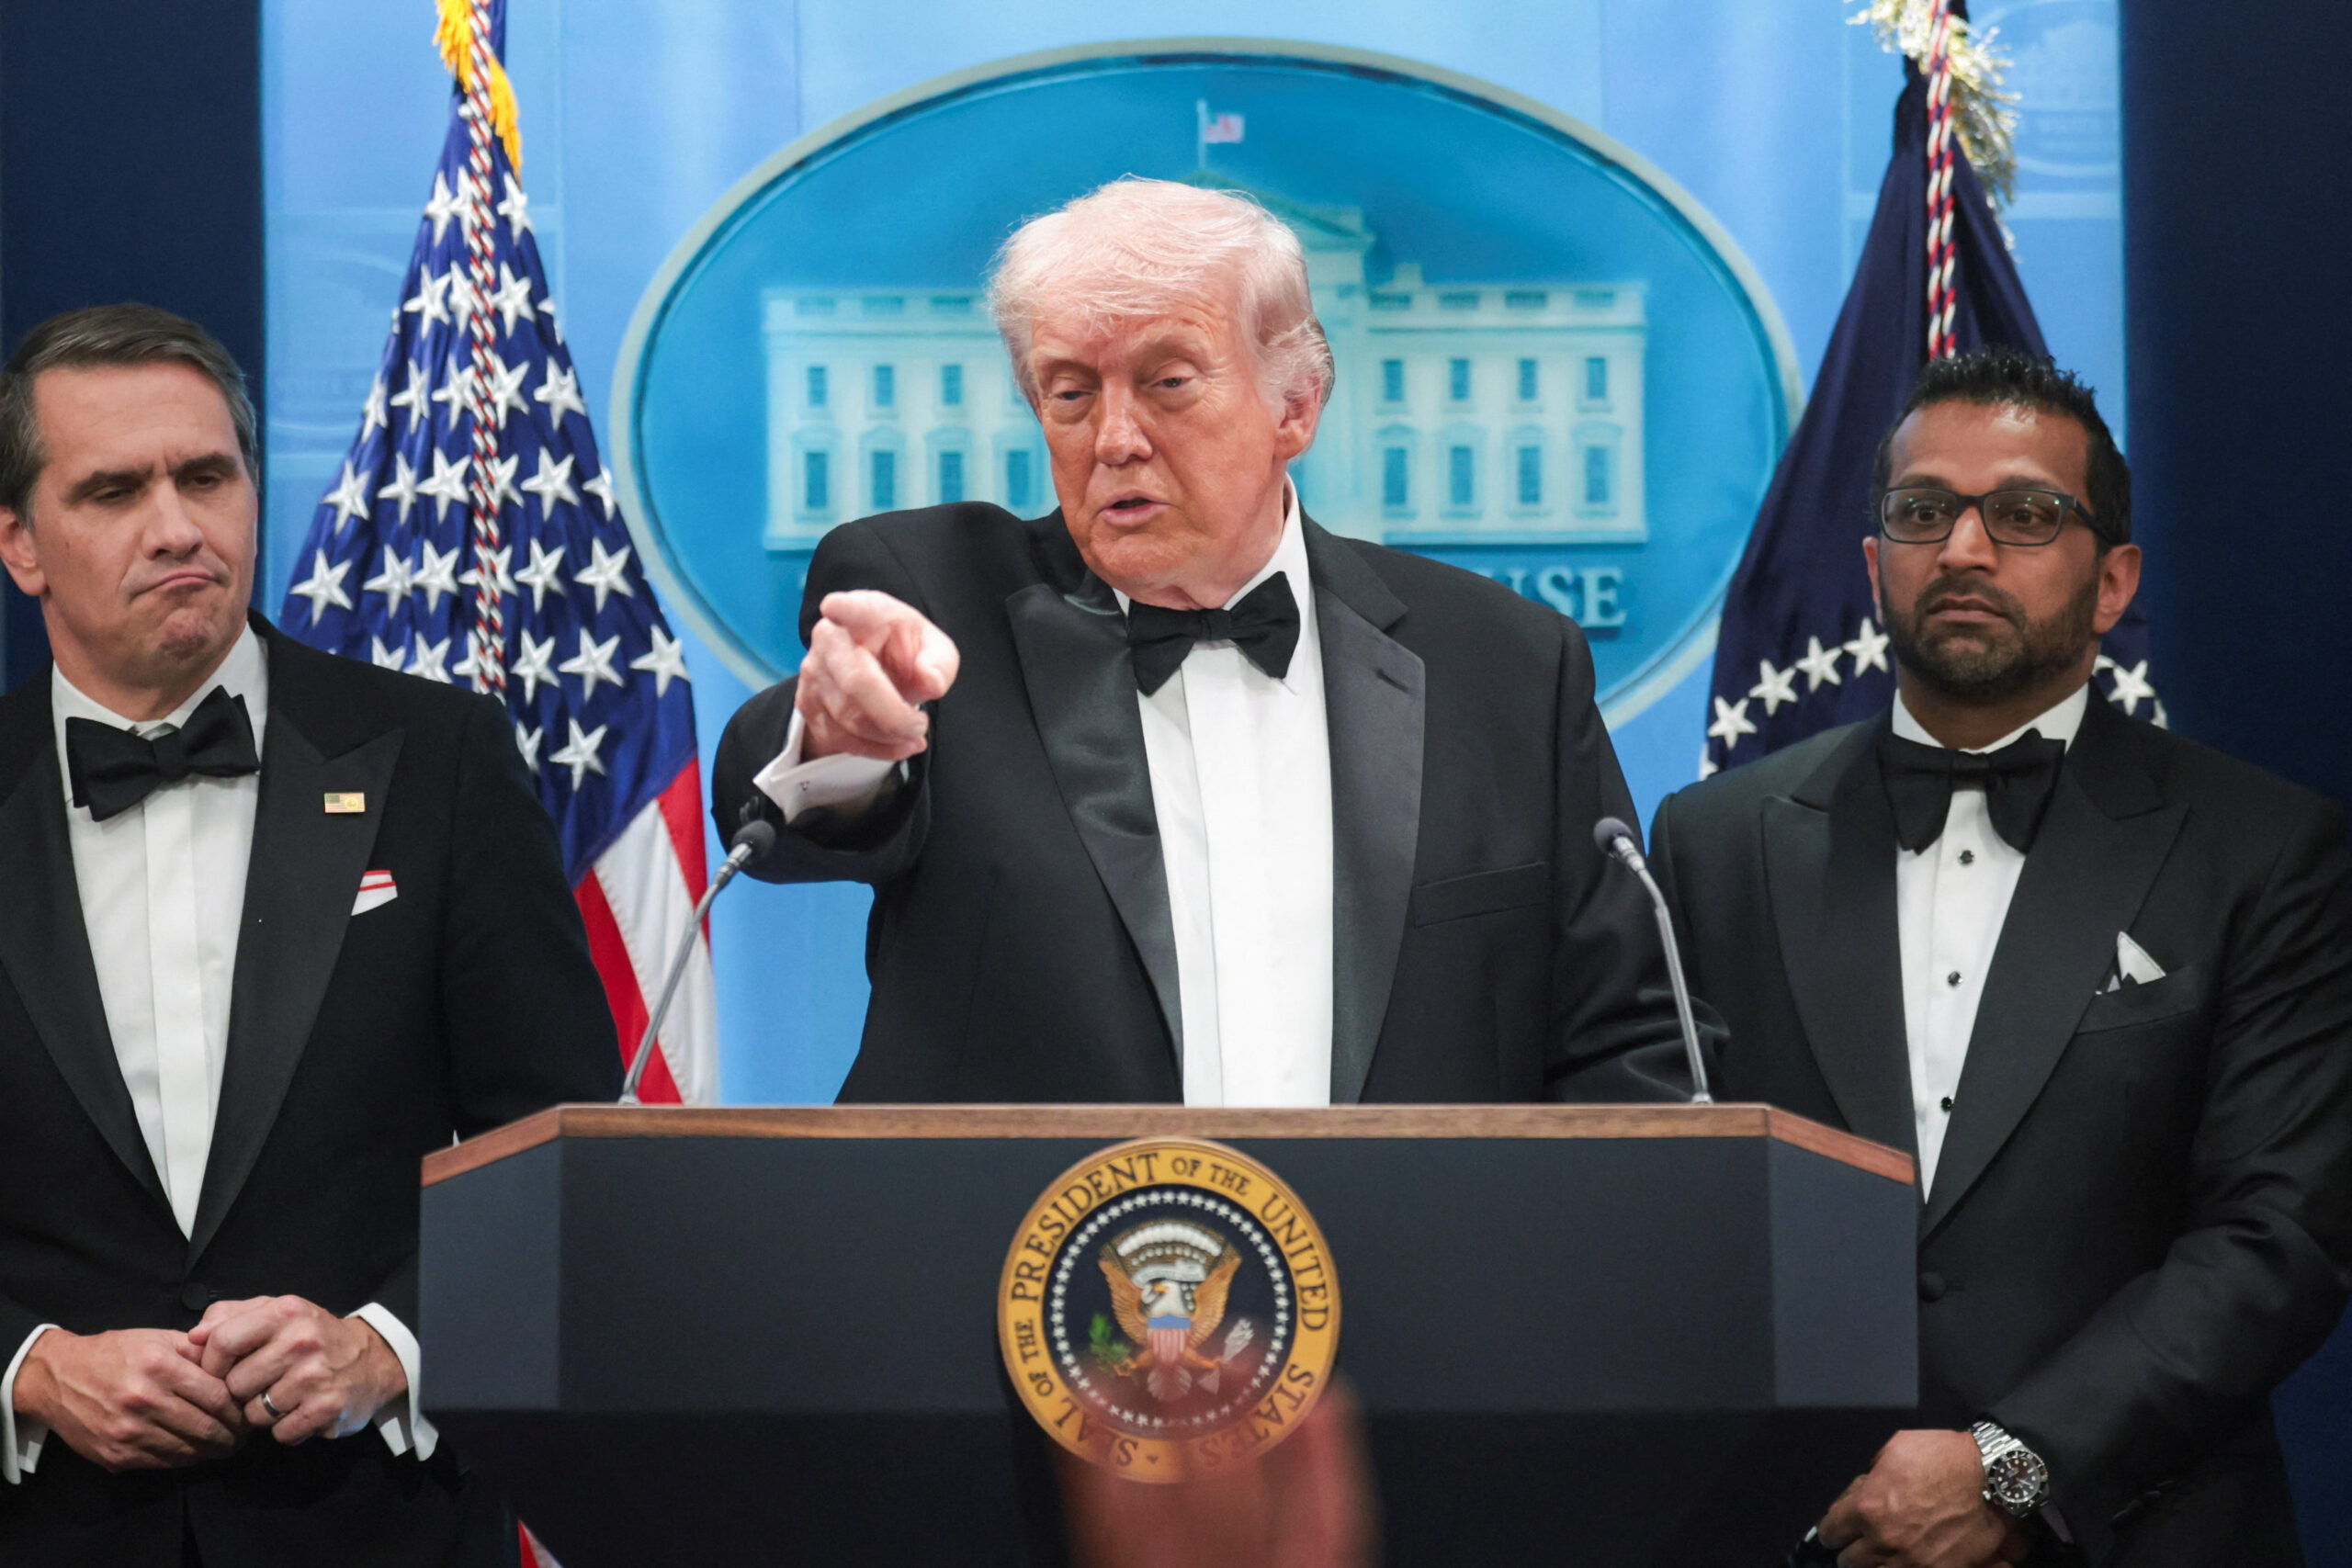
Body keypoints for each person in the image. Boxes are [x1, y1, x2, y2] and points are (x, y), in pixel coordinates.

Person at [711, 177, 1705, 1105]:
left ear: (1295, 406)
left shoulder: (1504, 664)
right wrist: (837, 745)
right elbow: (786, 811)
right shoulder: (934, 602)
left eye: (1168, 382)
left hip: (1411, 1275)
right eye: (1069, 392)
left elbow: (1630, 1042)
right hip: (1013, 1273)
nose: (1114, 438)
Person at [1649, 348, 2352, 1567]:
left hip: (2138, 1525)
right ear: (1873, 563)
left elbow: (2277, 1235)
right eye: (1924, 511)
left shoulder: (2269, 848)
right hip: (1810, 1533)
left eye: (2025, 513)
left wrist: (2013, 1463)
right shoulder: (1713, 840)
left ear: (2114, 577)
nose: (1965, 550)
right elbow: (1677, 1214)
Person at [0, 304, 620, 1565]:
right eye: (115, 490)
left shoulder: (441, 761)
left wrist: (385, 1346)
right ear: (21, 544)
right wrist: (28, 1366)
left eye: (207, 475)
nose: (176, 525)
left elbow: (562, 1155)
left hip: (373, 1521)